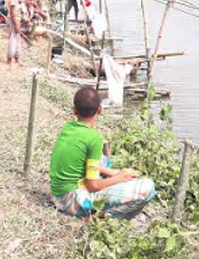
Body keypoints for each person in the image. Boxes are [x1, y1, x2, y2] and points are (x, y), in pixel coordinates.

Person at [50, 87, 156, 219]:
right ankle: (109, 219)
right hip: (72, 201)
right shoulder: (94, 138)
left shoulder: (68, 127)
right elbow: (92, 186)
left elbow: (84, 161)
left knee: (103, 160)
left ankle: (107, 201)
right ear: (100, 110)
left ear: (74, 110)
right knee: (149, 187)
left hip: (57, 195)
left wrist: (114, 173)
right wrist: (119, 178)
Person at [4, 0, 29, 66]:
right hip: (13, 20)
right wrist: (16, 24)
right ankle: (9, 59)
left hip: (15, 20)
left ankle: (17, 59)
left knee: (17, 39)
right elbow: (13, 12)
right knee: (13, 39)